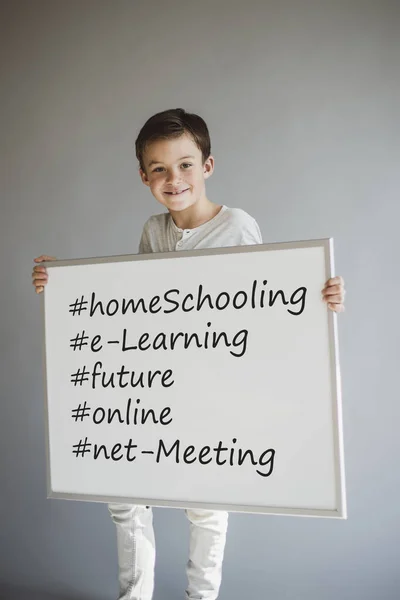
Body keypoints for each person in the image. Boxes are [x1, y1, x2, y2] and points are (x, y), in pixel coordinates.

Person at [32, 108, 346, 600]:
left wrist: (321, 298)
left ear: (207, 166)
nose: (172, 178)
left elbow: (265, 309)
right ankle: (134, 594)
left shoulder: (239, 226)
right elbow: (136, 308)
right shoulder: (154, 231)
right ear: (143, 177)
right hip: (158, 395)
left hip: (213, 399)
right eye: (158, 168)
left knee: (206, 506)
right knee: (124, 497)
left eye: (184, 165)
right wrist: (64, 287)